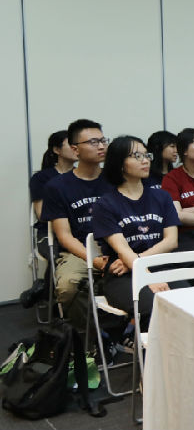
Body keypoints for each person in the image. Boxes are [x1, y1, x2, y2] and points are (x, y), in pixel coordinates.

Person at [92, 136, 181, 328]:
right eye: (137, 156)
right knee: (154, 308)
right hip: (123, 275)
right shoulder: (105, 205)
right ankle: (135, 340)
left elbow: (171, 241)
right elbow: (123, 250)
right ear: (120, 163)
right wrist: (147, 276)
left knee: (189, 303)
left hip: (156, 265)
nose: (145, 160)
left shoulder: (162, 197)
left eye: (147, 155)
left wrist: (139, 259)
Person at [40, 119, 114, 328]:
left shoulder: (115, 179)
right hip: (79, 251)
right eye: (93, 142)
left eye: (103, 140)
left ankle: (121, 329)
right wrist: (94, 259)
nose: (101, 146)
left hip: (117, 246)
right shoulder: (57, 186)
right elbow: (64, 236)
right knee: (67, 287)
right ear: (75, 149)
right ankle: (93, 333)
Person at [161, 128, 194, 251]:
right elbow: (176, 215)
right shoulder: (172, 178)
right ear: (184, 150)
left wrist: (187, 210)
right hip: (187, 237)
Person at [30, 130, 77, 261]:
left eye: (77, 144)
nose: (76, 148)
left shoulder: (83, 176)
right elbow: (41, 214)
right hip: (49, 232)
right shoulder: (41, 178)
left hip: (80, 230)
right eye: (71, 144)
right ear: (57, 150)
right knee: (58, 257)